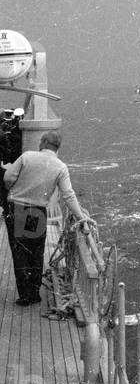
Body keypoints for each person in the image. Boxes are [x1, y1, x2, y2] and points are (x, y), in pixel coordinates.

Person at [3, 130, 91, 306]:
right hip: (38, 211)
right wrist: (82, 218)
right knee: (36, 251)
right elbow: (68, 195)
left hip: (17, 208)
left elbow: (8, 178)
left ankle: (25, 295)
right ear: (58, 147)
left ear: (42, 143)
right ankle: (35, 293)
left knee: (19, 251)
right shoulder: (60, 167)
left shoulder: (27, 157)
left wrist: (15, 188)